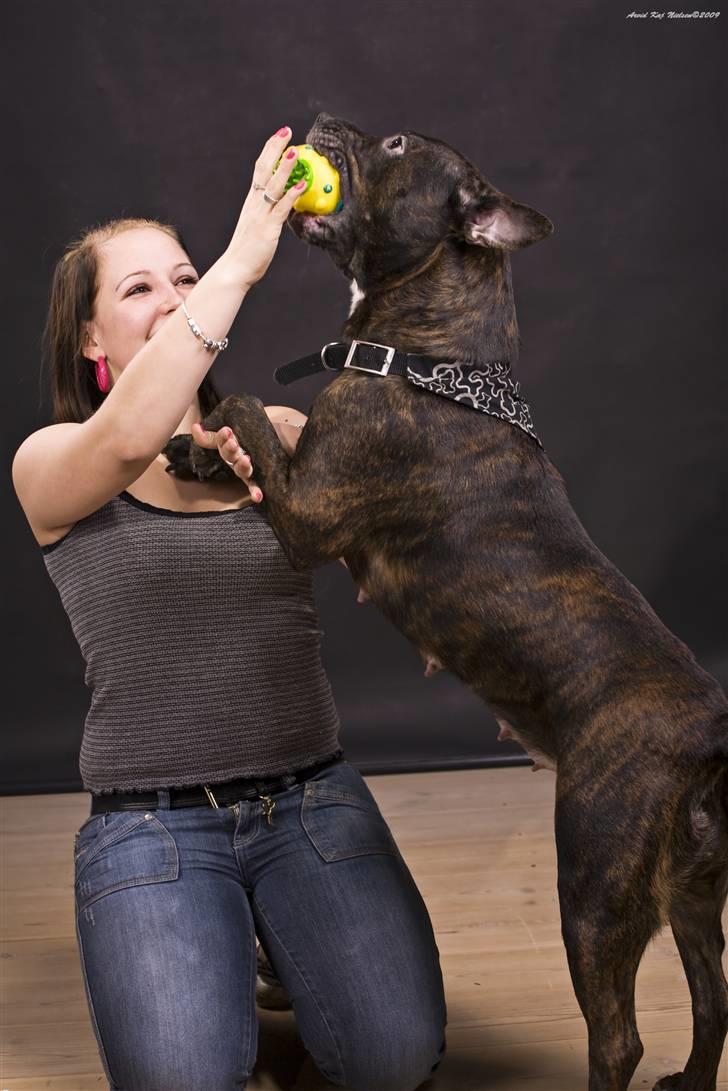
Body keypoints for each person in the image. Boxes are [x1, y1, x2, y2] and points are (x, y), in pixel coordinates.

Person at [12, 126, 447, 1091]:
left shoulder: (274, 435)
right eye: (138, 290)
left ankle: (278, 948)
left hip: (310, 798)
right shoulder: (52, 463)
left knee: (398, 1057)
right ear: (89, 338)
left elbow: (412, 541)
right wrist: (243, 259)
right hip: (153, 824)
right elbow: (130, 437)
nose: (172, 299)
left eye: (184, 275)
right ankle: (236, 946)